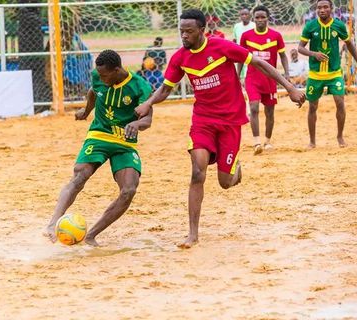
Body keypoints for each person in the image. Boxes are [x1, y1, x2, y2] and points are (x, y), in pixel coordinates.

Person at [135, 9, 305, 249]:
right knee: (197, 172)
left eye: (189, 31)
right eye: (181, 31)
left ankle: (234, 169)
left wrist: (289, 87)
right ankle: (192, 234)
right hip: (203, 121)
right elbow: (165, 88)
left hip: (230, 122)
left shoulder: (222, 47)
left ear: (202, 31)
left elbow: (259, 63)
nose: (184, 36)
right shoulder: (179, 58)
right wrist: (148, 103)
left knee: (225, 182)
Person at [44, 49, 153, 247]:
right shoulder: (98, 76)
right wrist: (86, 112)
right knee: (79, 175)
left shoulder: (140, 86)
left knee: (129, 190)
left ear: (117, 70)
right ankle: (52, 224)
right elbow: (93, 92)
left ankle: (91, 234)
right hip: (99, 134)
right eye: (99, 75)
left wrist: (137, 124)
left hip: (124, 142)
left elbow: (148, 119)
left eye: (105, 75)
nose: (101, 79)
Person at [298, 0, 357, 148]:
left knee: (340, 102)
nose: (322, 10)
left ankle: (340, 137)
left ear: (331, 8)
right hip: (315, 75)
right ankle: (312, 141)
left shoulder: (339, 26)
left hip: (334, 73)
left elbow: (349, 44)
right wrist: (313, 53)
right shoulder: (310, 26)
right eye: (319, 7)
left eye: (325, 7)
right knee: (312, 106)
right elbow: (300, 48)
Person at [239, 5, 289, 154]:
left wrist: (286, 73)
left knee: (270, 112)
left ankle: (267, 141)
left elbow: (283, 56)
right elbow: (241, 58)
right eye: (257, 17)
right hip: (252, 78)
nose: (260, 20)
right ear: (253, 19)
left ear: (268, 18)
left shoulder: (276, 36)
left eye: (263, 17)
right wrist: (237, 75)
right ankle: (256, 143)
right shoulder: (246, 36)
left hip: (270, 79)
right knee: (253, 108)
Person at [232, 8, 255, 80]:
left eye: (246, 14)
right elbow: (234, 40)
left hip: (250, 53)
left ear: (250, 15)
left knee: (248, 73)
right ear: (240, 16)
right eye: (242, 14)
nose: (244, 16)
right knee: (239, 73)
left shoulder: (254, 26)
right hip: (239, 52)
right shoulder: (237, 26)